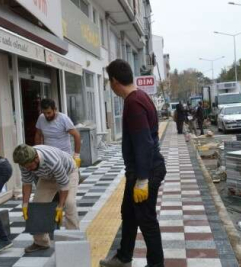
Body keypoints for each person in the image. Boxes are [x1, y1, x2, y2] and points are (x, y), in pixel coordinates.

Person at [100, 59, 166, 267]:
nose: (109, 86)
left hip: (145, 171)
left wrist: (142, 179)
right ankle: (123, 257)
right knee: (128, 213)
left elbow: (144, 143)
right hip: (141, 170)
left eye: (109, 82)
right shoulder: (141, 97)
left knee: (146, 220)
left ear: (114, 81)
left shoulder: (133, 102)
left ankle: (156, 264)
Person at [12, 144, 79, 253]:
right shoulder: (24, 163)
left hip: (68, 173)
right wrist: (25, 204)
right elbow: (27, 183)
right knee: (37, 206)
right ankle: (41, 242)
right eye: (25, 167)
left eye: (29, 167)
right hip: (47, 178)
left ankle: (74, 240)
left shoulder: (52, 161)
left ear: (36, 159)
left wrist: (60, 206)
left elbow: (64, 185)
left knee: (69, 203)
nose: (27, 169)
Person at [35, 98, 81, 167]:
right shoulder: (41, 118)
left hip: (64, 157)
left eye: (49, 113)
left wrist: (76, 155)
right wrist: (38, 151)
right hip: (48, 157)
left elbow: (76, 135)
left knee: (65, 176)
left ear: (55, 109)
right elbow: (38, 135)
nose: (46, 115)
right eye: (44, 113)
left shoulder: (63, 119)